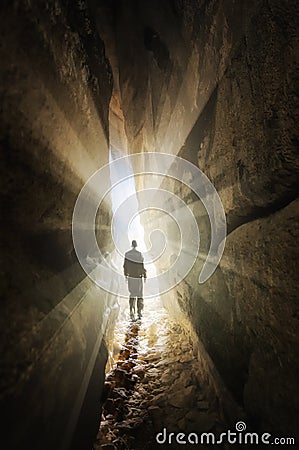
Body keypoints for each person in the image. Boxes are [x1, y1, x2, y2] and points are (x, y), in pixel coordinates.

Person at [123, 240, 146, 320]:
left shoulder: (127, 254)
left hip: (131, 276)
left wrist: (126, 275)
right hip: (138, 276)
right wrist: (144, 275)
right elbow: (142, 265)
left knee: (132, 293)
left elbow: (125, 266)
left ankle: (131, 311)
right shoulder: (139, 254)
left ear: (131, 245)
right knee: (139, 294)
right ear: (136, 245)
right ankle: (139, 312)